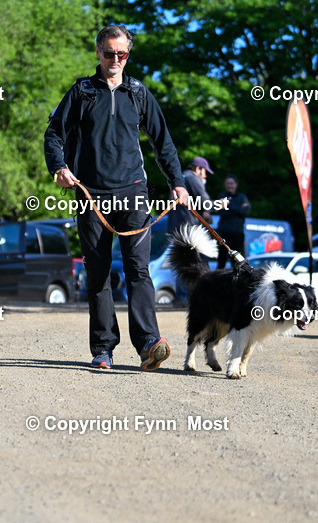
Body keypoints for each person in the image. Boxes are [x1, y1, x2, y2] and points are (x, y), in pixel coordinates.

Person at [44, 24, 187, 371]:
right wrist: (59, 167)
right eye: (109, 53)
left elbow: (162, 142)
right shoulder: (82, 92)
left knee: (139, 270)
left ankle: (149, 344)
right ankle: (104, 348)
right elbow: (53, 134)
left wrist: (178, 182)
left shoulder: (138, 93)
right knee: (98, 273)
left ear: (128, 55)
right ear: (98, 52)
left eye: (122, 54)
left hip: (134, 192)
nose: (115, 59)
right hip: (91, 195)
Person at [167, 157, 214, 305]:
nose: (205, 176)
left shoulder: (179, 178)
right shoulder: (194, 179)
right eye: (205, 172)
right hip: (190, 230)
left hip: (175, 227)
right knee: (197, 263)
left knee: (181, 262)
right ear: (198, 168)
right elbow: (205, 201)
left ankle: (181, 296)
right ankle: (197, 298)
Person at [214, 174, 250, 270]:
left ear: (236, 184)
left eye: (232, 183)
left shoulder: (242, 197)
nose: (230, 186)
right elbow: (221, 211)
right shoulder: (222, 196)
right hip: (224, 234)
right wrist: (237, 209)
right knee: (221, 260)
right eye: (228, 184)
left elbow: (245, 211)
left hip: (237, 235)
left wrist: (229, 207)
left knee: (238, 261)